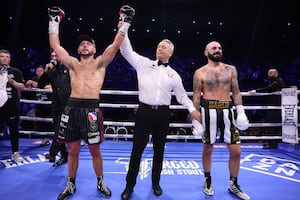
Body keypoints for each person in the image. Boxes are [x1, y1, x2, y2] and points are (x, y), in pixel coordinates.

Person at [48, 5, 135, 199]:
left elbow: (116, 44)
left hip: (91, 111)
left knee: (95, 150)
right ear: (78, 49)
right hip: (71, 109)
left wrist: (126, 22)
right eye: (82, 44)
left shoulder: (101, 62)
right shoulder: (71, 63)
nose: (85, 45)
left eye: (88, 43)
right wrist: (54, 21)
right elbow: (55, 46)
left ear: (94, 48)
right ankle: (70, 185)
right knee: (72, 151)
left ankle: (100, 181)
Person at [119, 33, 201, 199]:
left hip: (163, 114)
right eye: (158, 45)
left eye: (164, 46)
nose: (160, 48)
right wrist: (124, 30)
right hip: (144, 112)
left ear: (170, 53)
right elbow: (126, 50)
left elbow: (182, 96)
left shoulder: (174, 75)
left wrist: (192, 109)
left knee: (159, 151)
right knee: (136, 151)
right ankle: (129, 186)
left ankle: (156, 183)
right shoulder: (144, 64)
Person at [193, 41, 250, 200]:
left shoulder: (231, 69)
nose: (217, 50)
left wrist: (241, 111)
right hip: (208, 110)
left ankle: (233, 183)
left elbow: (236, 92)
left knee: (236, 151)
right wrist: (195, 120)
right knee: (208, 148)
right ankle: (207, 179)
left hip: (227, 110)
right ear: (206, 52)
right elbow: (196, 97)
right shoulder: (200, 72)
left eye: (219, 48)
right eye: (214, 48)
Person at [38, 49, 70, 166]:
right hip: (56, 105)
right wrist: (46, 71)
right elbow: (41, 84)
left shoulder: (70, 67)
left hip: (69, 104)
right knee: (58, 130)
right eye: (52, 56)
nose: (54, 57)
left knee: (61, 130)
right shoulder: (51, 71)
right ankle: (63, 155)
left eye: (56, 55)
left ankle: (53, 153)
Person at [248, 68, 286, 149]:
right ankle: (272, 143)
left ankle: (272, 144)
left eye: (271, 73)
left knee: (271, 125)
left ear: (276, 73)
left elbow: (267, 89)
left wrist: (256, 91)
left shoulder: (278, 81)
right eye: (268, 73)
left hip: (275, 107)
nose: (269, 75)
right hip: (273, 106)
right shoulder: (274, 81)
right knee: (272, 125)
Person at [0, 49, 25, 162]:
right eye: (2, 56)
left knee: (14, 130)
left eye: (7, 57)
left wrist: (11, 81)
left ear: (10, 59)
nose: (5, 58)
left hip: (11, 106)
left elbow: (22, 87)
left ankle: (15, 152)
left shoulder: (16, 71)